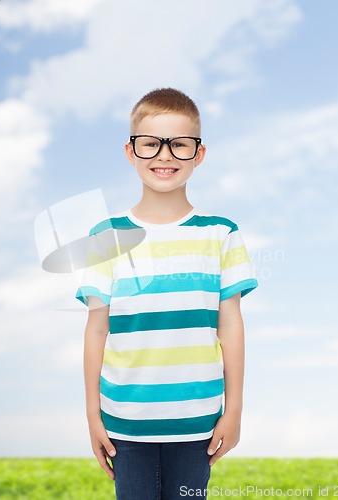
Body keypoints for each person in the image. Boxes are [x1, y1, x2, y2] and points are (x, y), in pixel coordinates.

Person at [76, 87, 259, 499]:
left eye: (179, 145)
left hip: (199, 421)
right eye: (150, 144)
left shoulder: (220, 233)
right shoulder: (105, 237)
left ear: (199, 153)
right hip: (125, 421)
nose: (164, 156)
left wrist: (235, 409)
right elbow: (95, 330)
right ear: (130, 151)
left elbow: (230, 325)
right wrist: (93, 414)